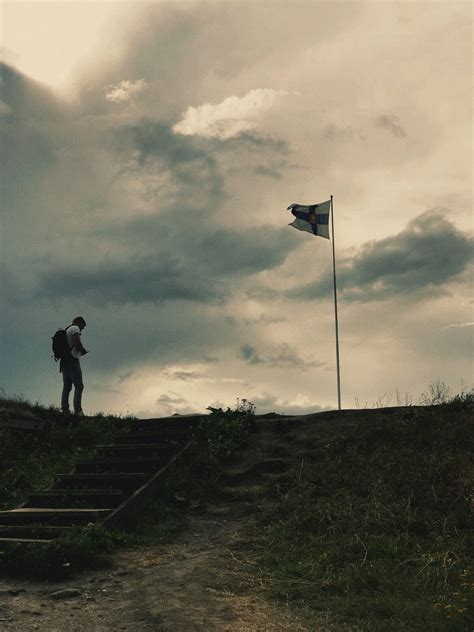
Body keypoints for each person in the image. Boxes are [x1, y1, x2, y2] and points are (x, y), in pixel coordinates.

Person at [61, 316, 88, 416]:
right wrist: (83, 350)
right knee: (79, 386)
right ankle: (78, 411)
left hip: (64, 361)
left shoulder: (67, 329)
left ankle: (65, 410)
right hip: (72, 360)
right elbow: (77, 341)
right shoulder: (75, 328)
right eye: (82, 327)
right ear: (79, 323)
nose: (81, 330)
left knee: (67, 386)